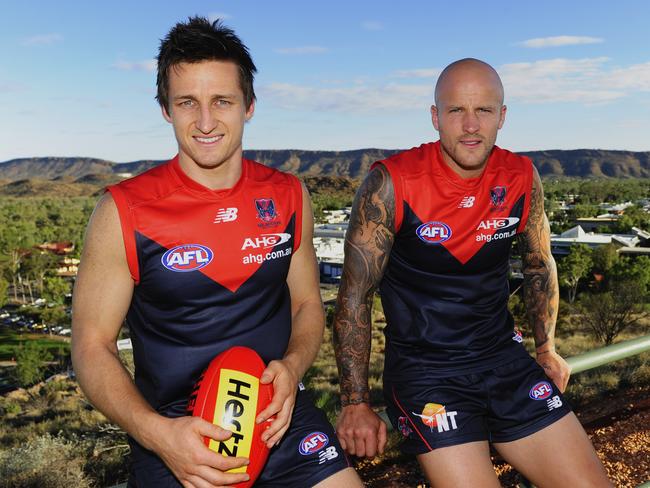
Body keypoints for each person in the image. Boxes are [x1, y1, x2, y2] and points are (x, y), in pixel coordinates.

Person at [72, 16, 362, 487]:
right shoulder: (123, 211)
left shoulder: (289, 195)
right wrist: (157, 433)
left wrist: (291, 368)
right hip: (174, 430)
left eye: (222, 101)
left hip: (277, 414)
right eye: (188, 102)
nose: (205, 122)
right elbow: (90, 346)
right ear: (166, 108)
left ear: (248, 105)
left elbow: (309, 305)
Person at [332, 58, 612, 487]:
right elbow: (354, 295)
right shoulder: (392, 182)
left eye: (483, 110)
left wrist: (546, 347)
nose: (470, 125)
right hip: (427, 373)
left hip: (503, 359)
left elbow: (539, 264)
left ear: (502, 116)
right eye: (456, 110)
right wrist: (355, 401)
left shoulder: (521, 176)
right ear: (435, 117)